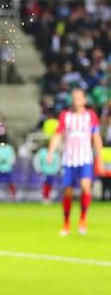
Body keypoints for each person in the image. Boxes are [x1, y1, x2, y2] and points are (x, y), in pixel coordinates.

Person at [47, 88, 103, 236]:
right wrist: (51, 151)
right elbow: (58, 134)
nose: (75, 100)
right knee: (68, 193)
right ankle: (66, 223)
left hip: (85, 158)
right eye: (74, 97)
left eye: (78, 98)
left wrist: (100, 158)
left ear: (85, 100)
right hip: (69, 159)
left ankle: (83, 219)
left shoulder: (91, 116)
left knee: (86, 187)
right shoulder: (65, 115)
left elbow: (96, 137)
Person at [33, 139, 61, 204]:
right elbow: (37, 161)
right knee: (45, 185)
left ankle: (48, 197)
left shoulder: (55, 153)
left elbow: (58, 162)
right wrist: (39, 170)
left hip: (53, 173)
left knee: (50, 185)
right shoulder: (42, 152)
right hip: (44, 172)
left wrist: (57, 170)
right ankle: (45, 197)